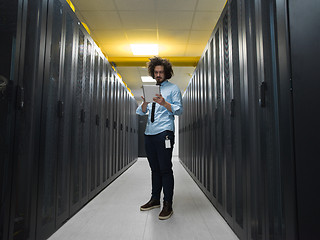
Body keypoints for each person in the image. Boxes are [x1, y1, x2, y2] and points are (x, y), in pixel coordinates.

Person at [136, 57, 183, 220]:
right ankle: (155, 198)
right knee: (154, 169)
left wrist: (164, 103)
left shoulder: (173, 89)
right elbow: (140, 112)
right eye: (155, 72)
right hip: (149, 133)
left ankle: (167, 203)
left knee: (165, 168)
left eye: (161, 72)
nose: (158, 75)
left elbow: (178, 110)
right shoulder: (150, 89)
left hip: (164, 133)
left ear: (166, 73)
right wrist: (144, 104)